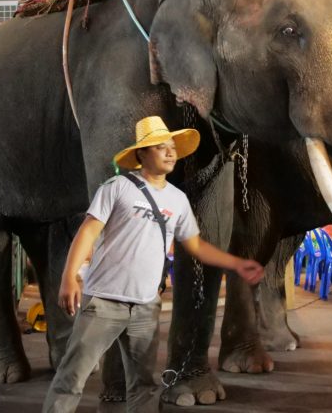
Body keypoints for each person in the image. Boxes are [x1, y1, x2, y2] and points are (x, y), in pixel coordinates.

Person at [42, 116, 264, 413]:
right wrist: (69, 277)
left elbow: (196, 246)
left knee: (144, 386)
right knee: (71, 378)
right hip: (104, 302)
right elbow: (88, 231)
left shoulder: (178, 199)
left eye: (172, 146)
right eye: (161, 147)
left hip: (146, 307)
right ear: (142, 154)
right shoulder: (117, 187)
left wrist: (236, 263)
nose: (170, 152)